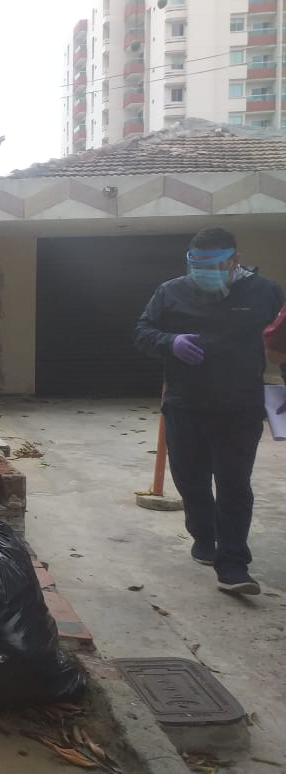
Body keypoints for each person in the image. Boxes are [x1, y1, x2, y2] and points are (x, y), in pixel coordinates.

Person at [135, 227, 284, 596]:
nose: (203, 271)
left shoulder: (265, 293)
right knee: (191, 480)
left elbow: (283, 341)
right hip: (185, 406)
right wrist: (170, 341)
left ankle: (233, 564)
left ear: (234, 260)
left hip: (240, 407)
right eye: (195, 263)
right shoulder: (170, 292)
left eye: (212, 264)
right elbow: (142, 331)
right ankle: (204, 535)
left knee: (233, 483)